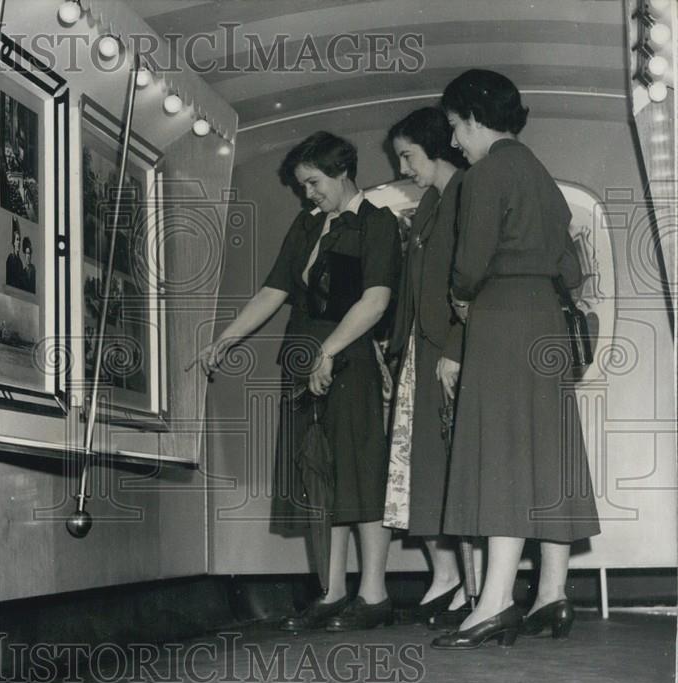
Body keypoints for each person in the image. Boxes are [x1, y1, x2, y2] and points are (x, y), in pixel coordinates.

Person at [193, 131, 400, 631]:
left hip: (348, 359)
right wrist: (226, 339)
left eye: (313, 182)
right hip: (302, 358)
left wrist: (329, 351)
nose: (308, 193)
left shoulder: (377, 223)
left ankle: (374, 595)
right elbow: (274, 290)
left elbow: (375, 300)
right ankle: (332, 592)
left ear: (342, 172)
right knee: (316, 476)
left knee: (359, 473)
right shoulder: (307, 225)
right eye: (303, 185)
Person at [431, 69, 600, 649]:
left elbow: (469, 267)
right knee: (547, 453)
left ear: (475, 119)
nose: (455, 141)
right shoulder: (541, 176)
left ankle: (495, 601)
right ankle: (552, 593)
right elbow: (571, 269)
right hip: (545, 319)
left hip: (501, 317)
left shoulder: (484, 175)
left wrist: (461, 295)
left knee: (501, 451)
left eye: (456, 127)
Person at [383, 107, 472, 628]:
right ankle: (448, 576)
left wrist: (456, 346)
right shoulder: (430, 205)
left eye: (408, 156)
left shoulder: (465, 196)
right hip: (422, 351)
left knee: (451, 467)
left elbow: (470, 287)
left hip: (450, 350)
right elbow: (413, 291)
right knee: (426, 470)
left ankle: (469, 585)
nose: (403, 167)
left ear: (436, 147)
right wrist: (396, 349)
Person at [5, 217, 26, 289]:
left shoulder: (20, 262)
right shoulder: (11, 258)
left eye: (19, 240)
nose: (19, 242)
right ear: (14, 242)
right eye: (17, 240)